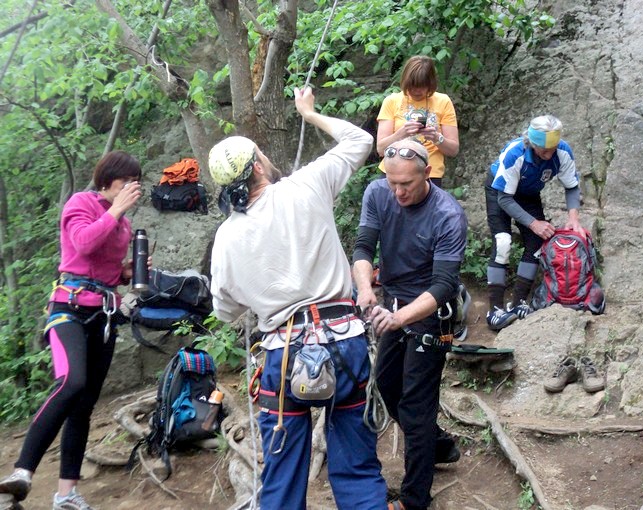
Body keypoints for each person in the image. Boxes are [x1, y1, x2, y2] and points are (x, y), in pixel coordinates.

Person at [209, 86, 387, 510]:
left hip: (282, 354)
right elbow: (361, 141)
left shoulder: (226, 236)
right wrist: (309, 114)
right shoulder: (307, 185)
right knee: (358, 469)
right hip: (343, 342)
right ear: (257, 167)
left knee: (281, 481)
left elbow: (225, 308)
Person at [0, 151, 143, 509]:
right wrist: (114, 211)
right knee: (71, 383)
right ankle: (22, 472)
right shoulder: (81, 203)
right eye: (125, 181)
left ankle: (66, 494)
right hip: (68, 310)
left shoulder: (124, 225)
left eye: (135, 181)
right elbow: (82, 244)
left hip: (103, 316)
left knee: (84, 406)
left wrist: (124, 273)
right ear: (106, 181)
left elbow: (103, 267)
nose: (131, 188)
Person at [352, 139, 468, 510]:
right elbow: (363, 247)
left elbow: (444, 284)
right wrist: (364, 287)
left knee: (416, 407)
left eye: (407, 184)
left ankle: (414, 499)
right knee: (387, 387)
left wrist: (399, 317)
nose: (398, 191)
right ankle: (439, 446)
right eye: (392, 183)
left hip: (432, 315)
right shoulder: (377, 193)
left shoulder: (447, 214)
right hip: (394, 305)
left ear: (427, 173)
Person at [484, 115, 584, 331]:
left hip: (528, 193)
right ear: (532, 143)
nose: (549, 155)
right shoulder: (515, 153)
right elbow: (504, 199)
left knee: (538, 242)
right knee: (502, 242)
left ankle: (519, 301)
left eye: (552, 149)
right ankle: (494, 309)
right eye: (543, 151)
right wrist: (533, 223)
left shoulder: (562, 152)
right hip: (499, 192)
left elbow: (572, 186)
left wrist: (573, 218)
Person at [376, 55, 459, 188]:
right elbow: (380, 149)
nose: (416, 90)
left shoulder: (443, 101)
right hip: (393, 172)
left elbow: (453, 150)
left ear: (430, 84)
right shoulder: (391, 101)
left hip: (429, 174)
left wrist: (436, 137)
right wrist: (402, 133)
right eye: (412, 85)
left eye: (421, 86)